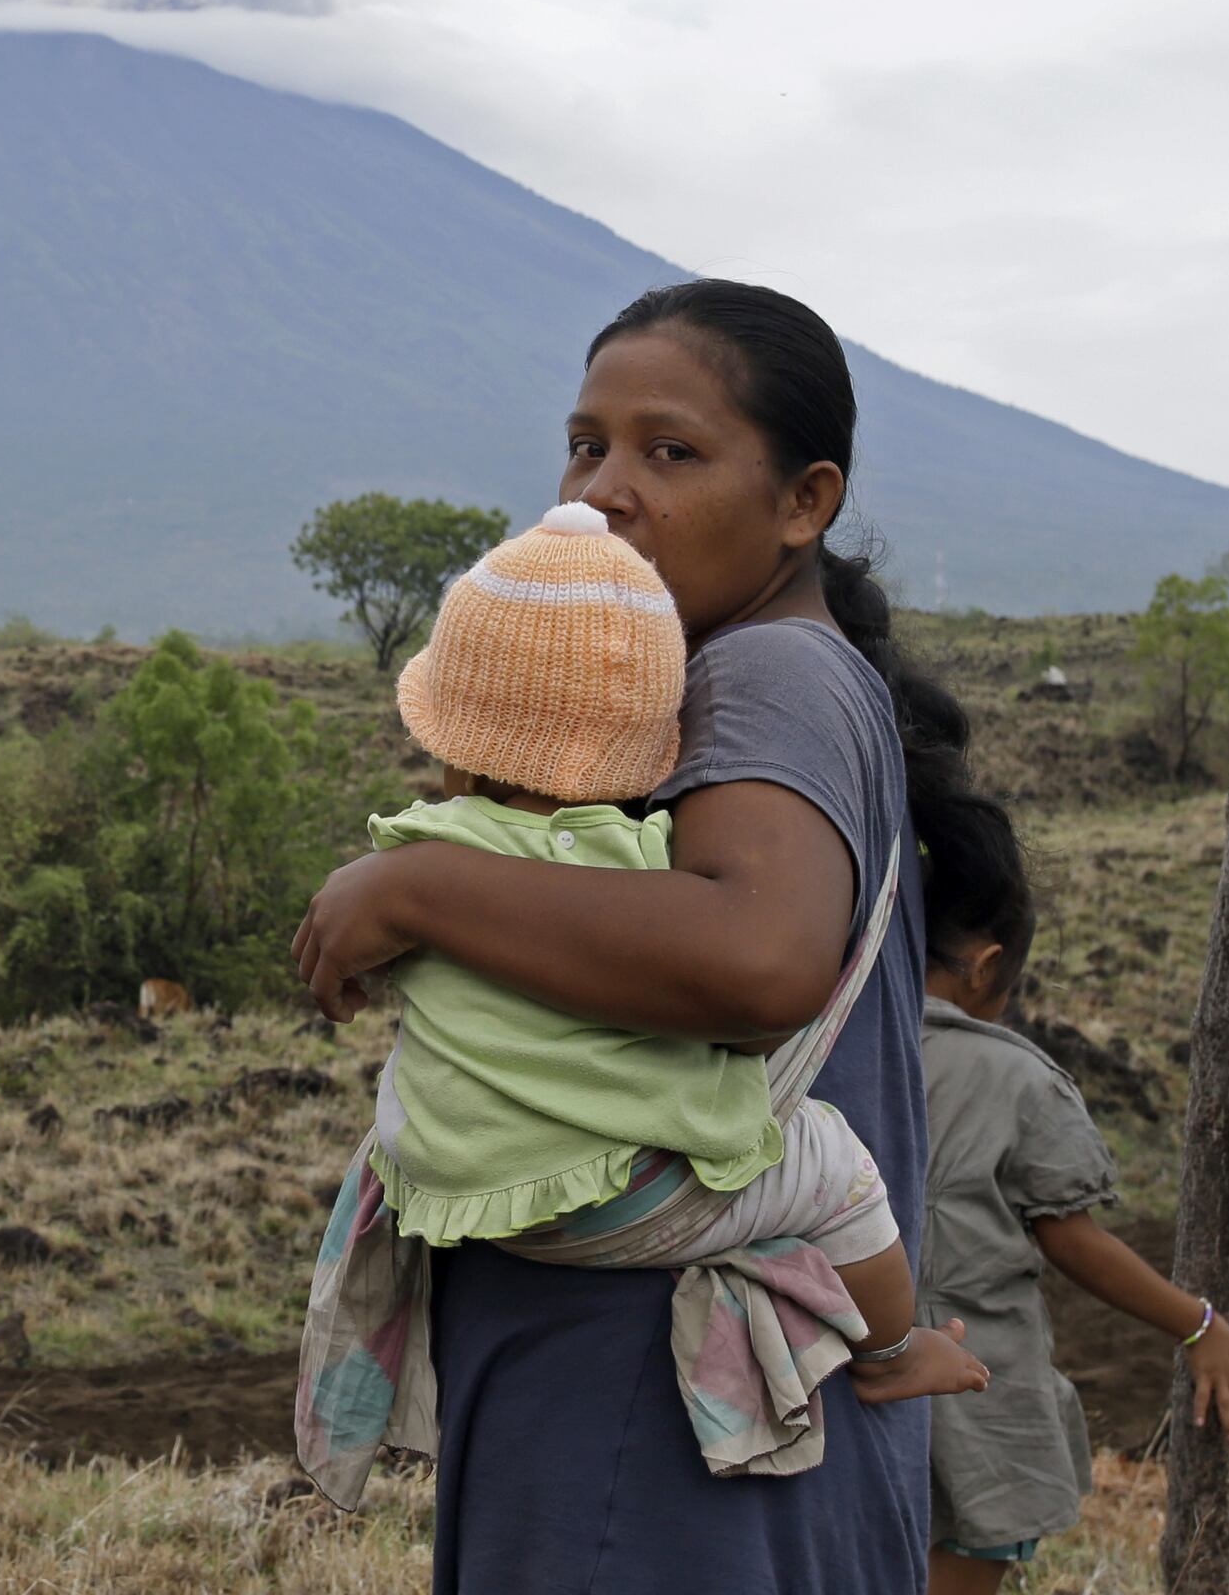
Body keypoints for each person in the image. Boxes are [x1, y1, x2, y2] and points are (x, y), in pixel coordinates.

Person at [294, 280, 968, 1595]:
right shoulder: (695, 691)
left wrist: (420, 881)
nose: (606, 491)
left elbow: (756, 951)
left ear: (806, 501)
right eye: (586, 444)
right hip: (641, 1496)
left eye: (670, 454)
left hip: (671, 1520)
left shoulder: (767, 676)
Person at [298, 503, 980, 1510]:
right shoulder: (637, 866)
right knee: (832, 1165)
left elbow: (367, 981)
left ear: (449, 744)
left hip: (460, 1202)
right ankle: (889, 1348)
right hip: (617, 1209)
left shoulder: (413, 855)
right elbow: (720, 960)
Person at [902, 793, 1229, 1595]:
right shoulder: (1016, 1077)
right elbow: (1072, 1237)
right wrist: (1199, 1325)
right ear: (986, 968)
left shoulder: (839, 1044)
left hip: (846, 1369)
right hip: (971, 1385)